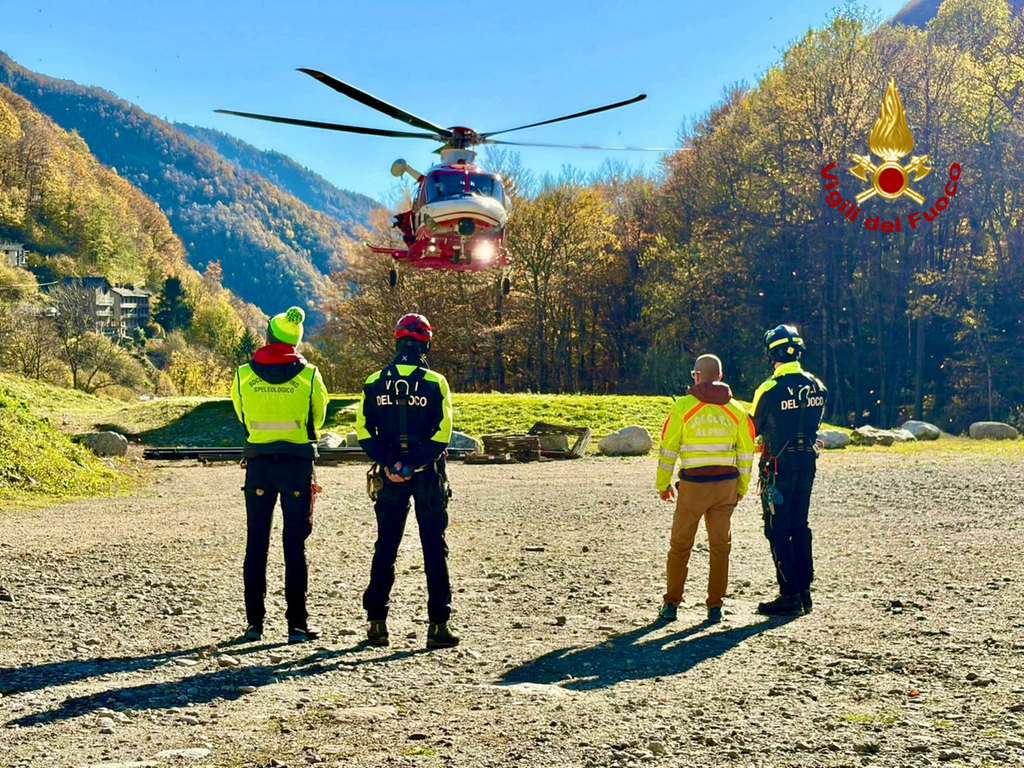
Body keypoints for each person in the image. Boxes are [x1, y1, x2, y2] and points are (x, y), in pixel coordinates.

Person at [356, 313, 459, 649]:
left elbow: (364, 433)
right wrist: (413, 463)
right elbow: (442, 435)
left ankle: (376, 625)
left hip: (389, 478)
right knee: (434, 548)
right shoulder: (436, 382)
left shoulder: (373, 382)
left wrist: (392, 464)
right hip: (427, 475)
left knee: (385, 547)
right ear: (426, 344)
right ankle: (438, 626)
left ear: (397, 341)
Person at [230, 306, 328, 644]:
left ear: (268, 337)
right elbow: (319, 418)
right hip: (297, 465)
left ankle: (254, 624)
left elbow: (242, 416)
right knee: (294, 545)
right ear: (295, 343)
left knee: (256, 543)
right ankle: (297, 625)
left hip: (259, 465)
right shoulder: (310, 376)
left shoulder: (243, 374)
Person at [656, 354, 756, 624]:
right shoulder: (737, 410)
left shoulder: (683, 407)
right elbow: (746, 453)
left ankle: (671, 604)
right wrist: (742, 486)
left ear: (696, 376)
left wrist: (663, 484)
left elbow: (668, 448)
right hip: (726, 486)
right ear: (720, 377)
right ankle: (715, 607)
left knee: (680, 546)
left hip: (693, 487)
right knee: (721, 547)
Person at [750, 324, 828, 616]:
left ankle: (789, 593)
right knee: (799, 524)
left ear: (771, 354)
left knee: (776, 528)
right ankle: (805, 590)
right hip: (807, 463)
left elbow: (752, 429)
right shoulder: (818, 386)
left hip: (777, 467)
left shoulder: (769, 388)